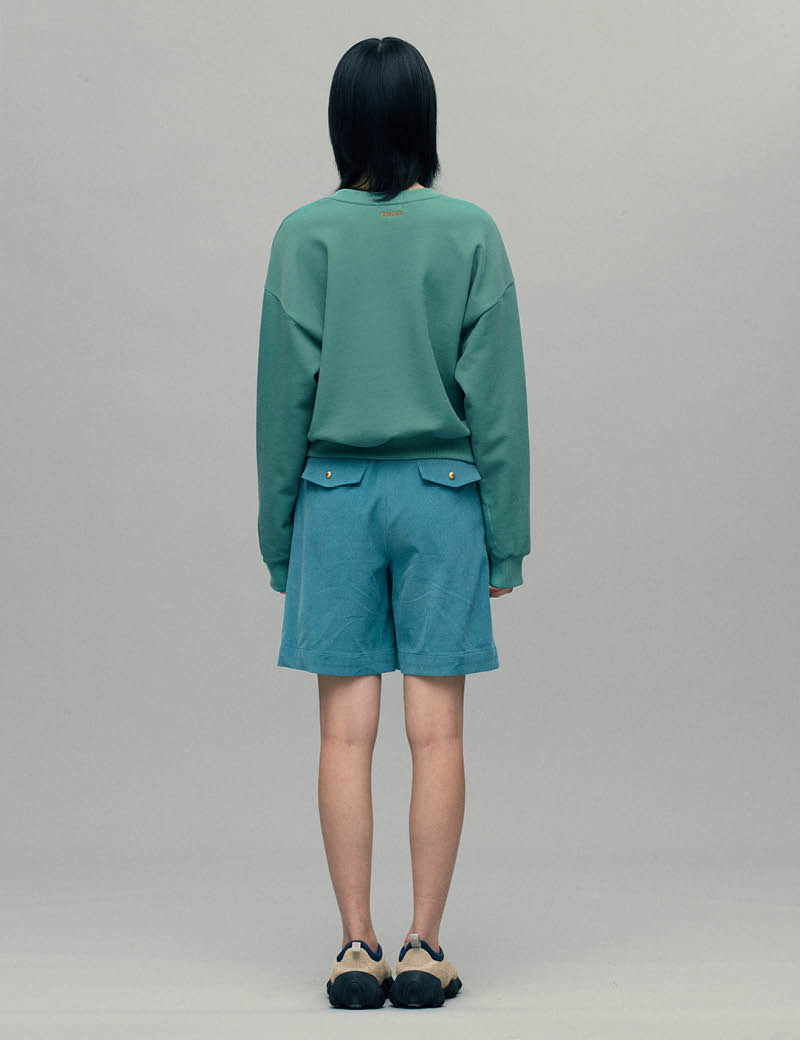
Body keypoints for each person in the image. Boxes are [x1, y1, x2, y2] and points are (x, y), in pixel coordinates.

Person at [256, 35, 531, 1009]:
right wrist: (505, 538)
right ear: (423, 119)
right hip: (442, 494)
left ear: (341, 122)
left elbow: (282, 399)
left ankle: (352, 945)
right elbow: (497, 401)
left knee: (343, 736)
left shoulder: (303, 234)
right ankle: (423, 945)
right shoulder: (469, 232)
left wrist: (278, 533)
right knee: (436, 733)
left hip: (333, 495)